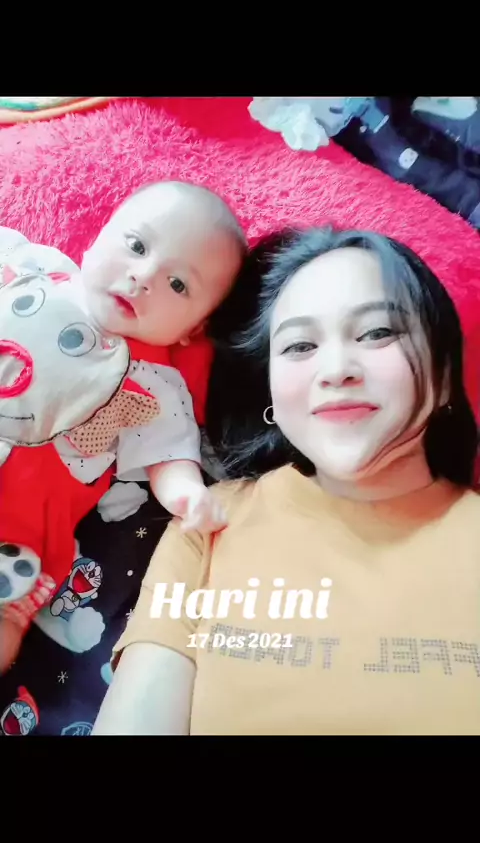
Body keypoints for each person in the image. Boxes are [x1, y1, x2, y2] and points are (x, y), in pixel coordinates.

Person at [92, 225, 480, 736]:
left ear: (446, 371)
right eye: (299, 346)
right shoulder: (209, 523)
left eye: (377, 333)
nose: (336, 370)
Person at [0, 181, 246, 673]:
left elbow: (170, 456)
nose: (144, 276)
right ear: (97, 238)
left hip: (14, 540)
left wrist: (187, 496)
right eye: (136, 246)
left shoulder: (154, 383)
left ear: (192, 329)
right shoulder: (32, 269)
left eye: (179, 285)